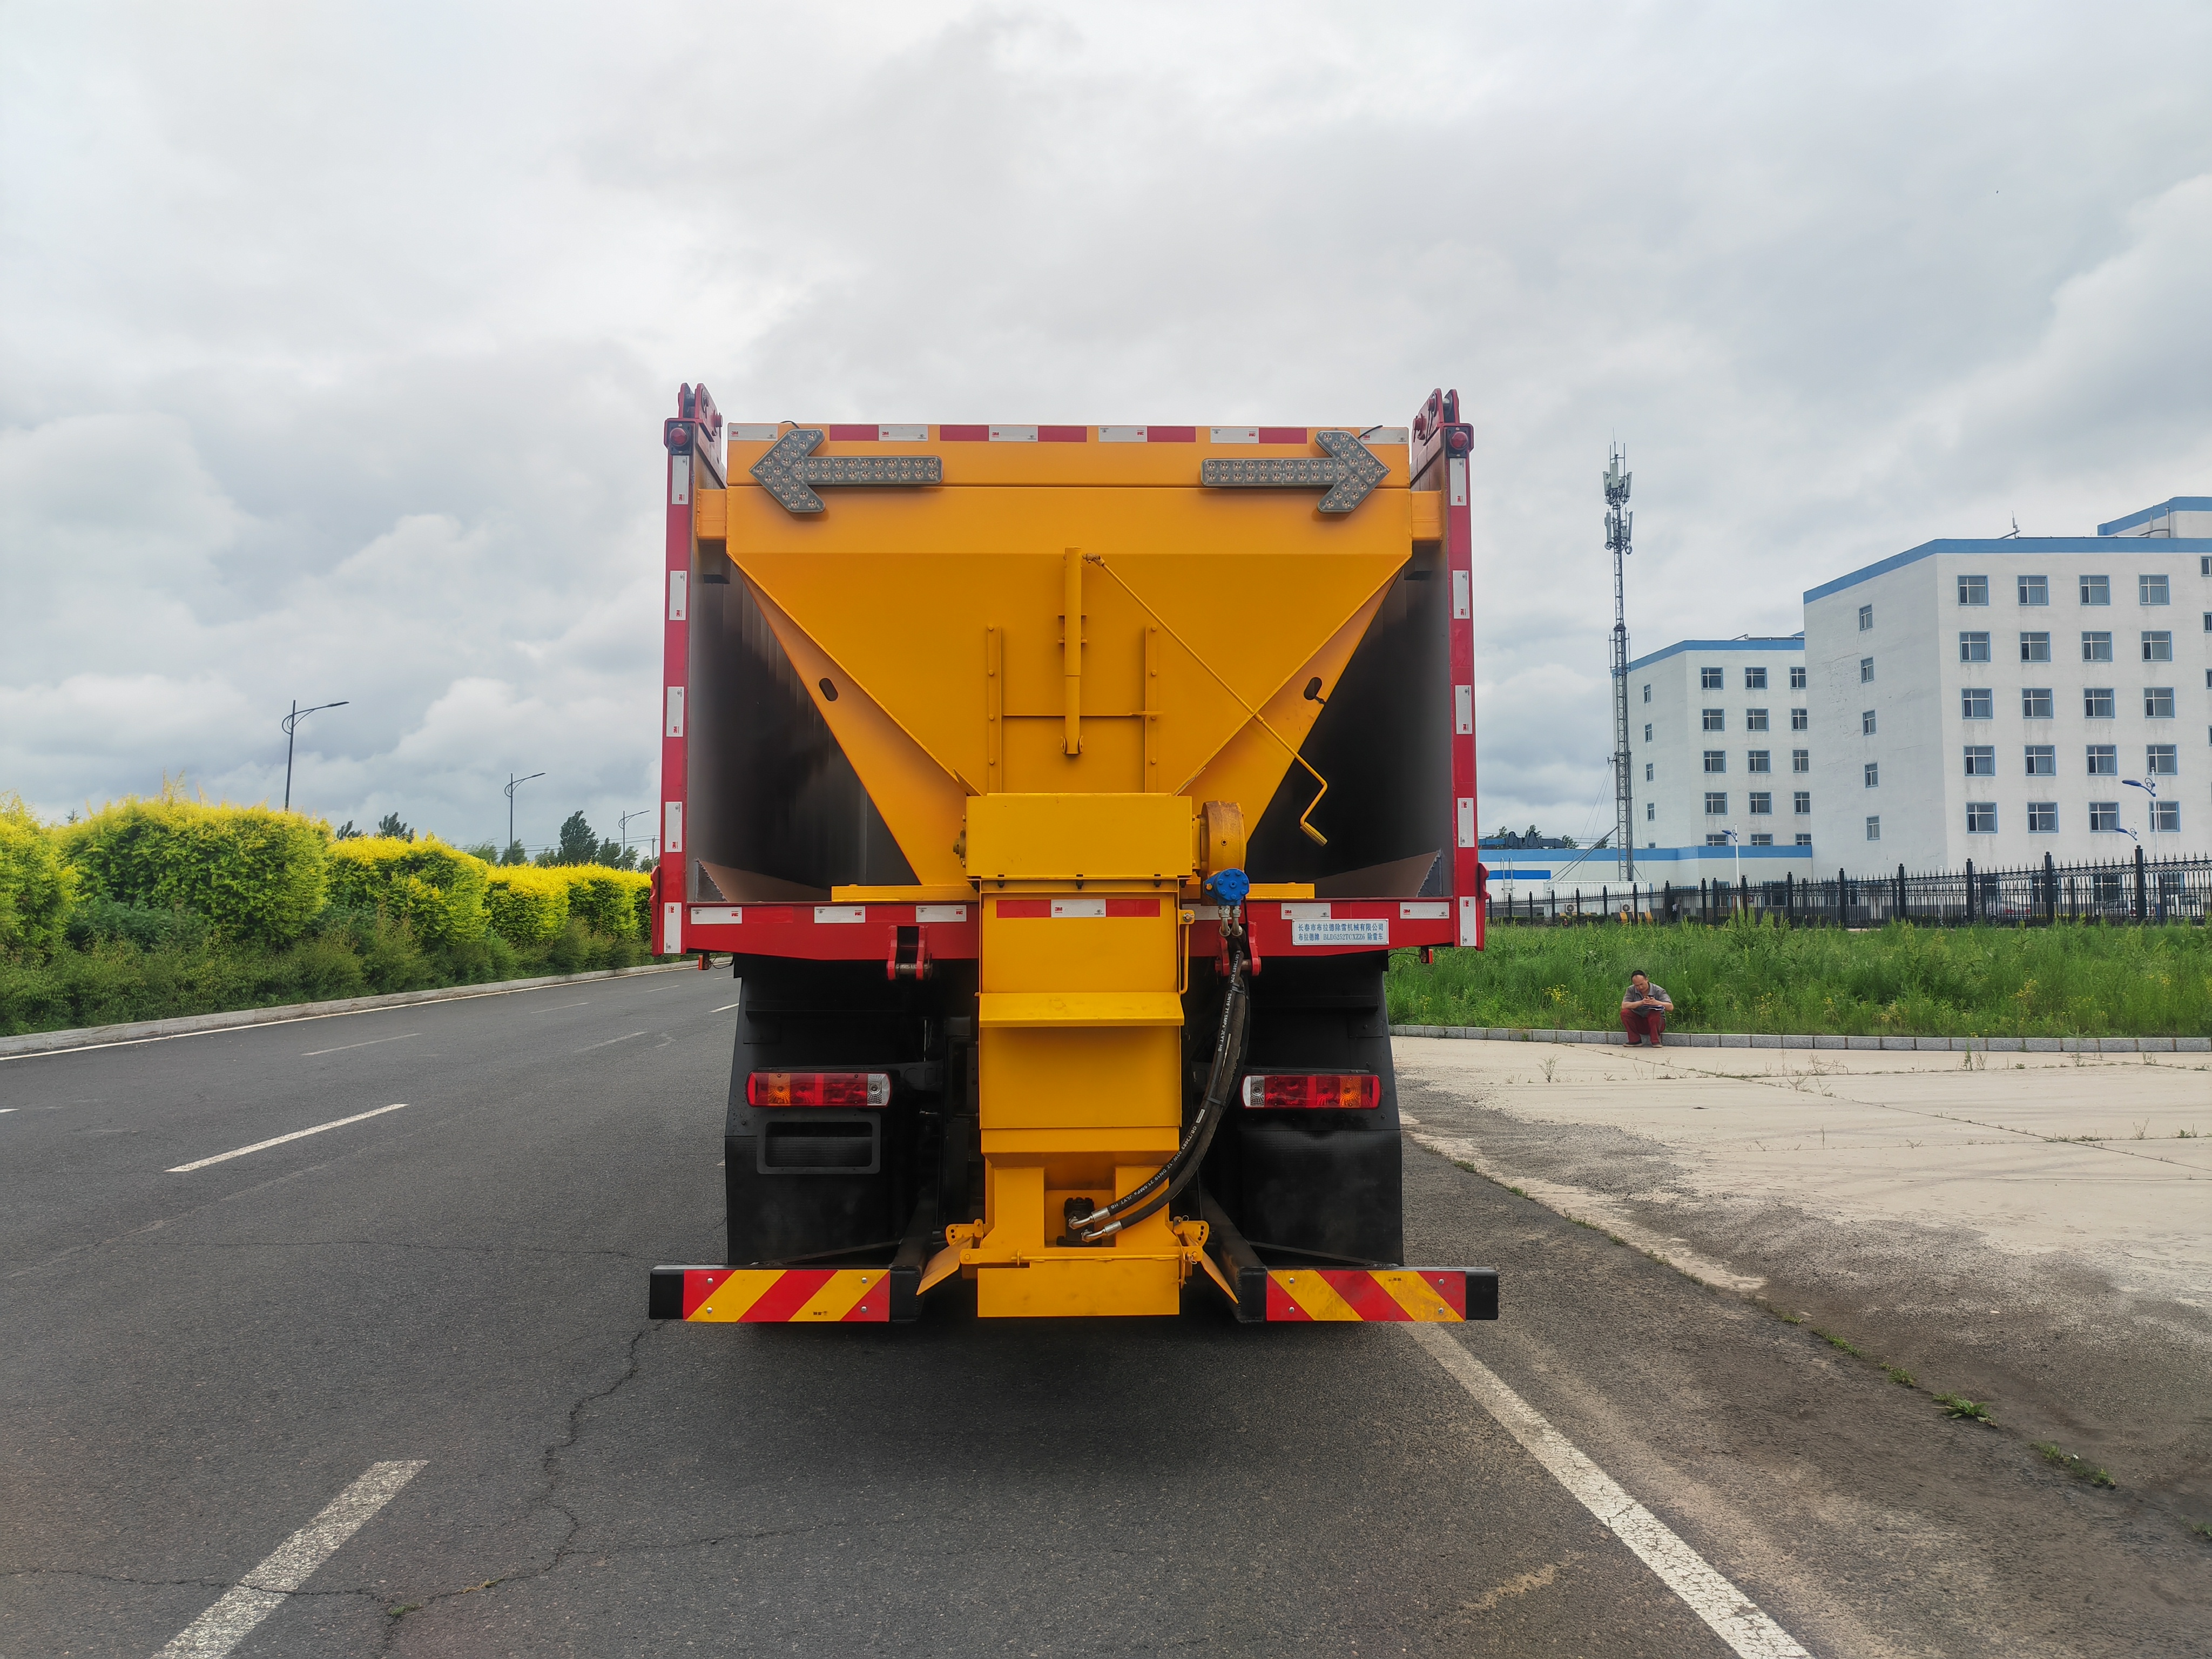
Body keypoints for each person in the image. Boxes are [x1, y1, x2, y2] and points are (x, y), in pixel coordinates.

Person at [1620, 969, 1672, 1046]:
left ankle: (1656, 1041)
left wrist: (1656, 1003)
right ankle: (1635, 1040)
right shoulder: (1631, 990)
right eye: (1637, 985)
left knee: (1654, 1012)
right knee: (1625, 1013)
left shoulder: (1658, 990)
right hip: (1640, 1023)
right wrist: (1641, 1003)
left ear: (1647, 980)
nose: (1640, 987)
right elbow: (1624, 1005)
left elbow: (1671, 1007)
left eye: (1642, 984)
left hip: (1657, 1024)